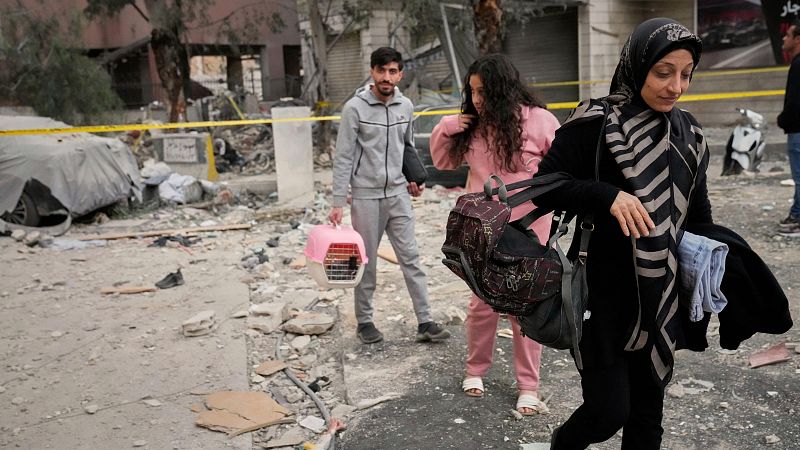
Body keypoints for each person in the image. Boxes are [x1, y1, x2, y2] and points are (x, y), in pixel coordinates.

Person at [531, 19, 712, 448]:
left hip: (662, 297)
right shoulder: (595, 122)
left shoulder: (689, 133)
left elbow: (698, 212)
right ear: (638, 64)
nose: (676, 87)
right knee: (608, 410)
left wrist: (715, 263)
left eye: (686, 74)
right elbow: (544, 186)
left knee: (648, 421)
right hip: (603, 295)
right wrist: (606, 196)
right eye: (663, 72)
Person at [429, 54, 560, 415]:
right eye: (471, 92)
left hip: (529, 232)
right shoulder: (470, 125)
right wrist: (447, 125)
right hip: (481, 231)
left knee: (525, 308)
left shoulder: (540, 121)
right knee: (481, 304)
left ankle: (528, 386)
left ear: (504, 89)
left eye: (483, 92)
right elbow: (441, 163)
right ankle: (475, 369)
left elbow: (563, 168)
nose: (476, 100)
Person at [329, 47, 451, 344]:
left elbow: (407, 147)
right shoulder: (354, 109)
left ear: (400, 74)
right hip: (366, 197)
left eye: (392, 71)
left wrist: (413, 178)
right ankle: (365, 322)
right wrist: (337, 202)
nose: (387, 77)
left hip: (398, 194)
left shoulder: (405, 106)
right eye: (381, 71)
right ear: (372, 71)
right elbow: (343, 157)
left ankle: (425, 322)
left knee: (411, 259)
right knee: (366, 263)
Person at [777, 19, 800, 236]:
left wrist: (783, 120)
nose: (784, 38)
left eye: (788, 35)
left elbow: (794, 103)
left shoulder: (798, 64)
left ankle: (798, 218)